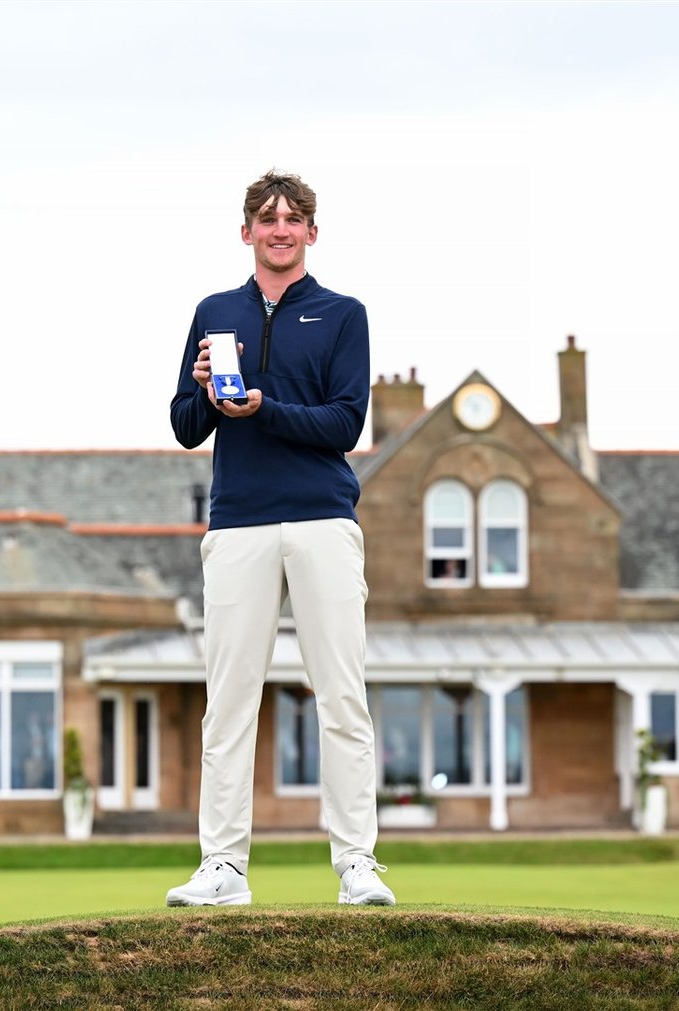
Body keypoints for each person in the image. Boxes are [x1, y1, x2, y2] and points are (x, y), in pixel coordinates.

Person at [166, 169, 393, 907]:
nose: (280, 228)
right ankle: (222, 868)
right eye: (267, 218)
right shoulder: (213, 310)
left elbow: (344, 424)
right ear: (247, 233)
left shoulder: (342, 314)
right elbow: (184, 426)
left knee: (342, 696)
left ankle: (356, 862)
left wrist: (262, 407)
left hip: (324, 519)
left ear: (312, 233)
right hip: (237, 522)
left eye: (293, 218)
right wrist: (206, 390)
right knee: (228, 702)